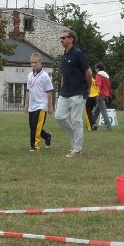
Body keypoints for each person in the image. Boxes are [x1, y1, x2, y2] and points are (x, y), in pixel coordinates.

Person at [54, 28, 93, 157]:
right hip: (65, 92)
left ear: (71, 39)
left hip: (78, 92)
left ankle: (77, 149)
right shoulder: (64, 55)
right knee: (59, 117)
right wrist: (62, 87)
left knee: (76, 120)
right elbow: (64, 74)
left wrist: (88, 89)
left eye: (64, 37)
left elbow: (88, 72)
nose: (61, 40)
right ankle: (74, 139)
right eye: (60, 38)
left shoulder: (78, 53)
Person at [24, 52, 54, 151]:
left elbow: (49, 92)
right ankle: (47, 136)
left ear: (40, 62)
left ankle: (34, 146)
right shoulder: (29, 75)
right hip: (32, 105)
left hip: (41, 105)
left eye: (35, 62)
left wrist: (50, 106)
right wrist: (26, 104)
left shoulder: (45, 76)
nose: (33, 64)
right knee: (32, 126)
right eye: (31, 62)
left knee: (36, 126)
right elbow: (28, 90)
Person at [92, 61, 114, 130]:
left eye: (96, 68)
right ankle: (90, 124)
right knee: (96, 111)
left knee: (103, 111)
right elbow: (109, 86)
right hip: (106, 95)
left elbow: (98, 84)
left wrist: (95, 92)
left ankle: (109, 127)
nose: (95, 70)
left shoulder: (98, 75)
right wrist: (110, 95)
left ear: (98, 69)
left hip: (100, 95)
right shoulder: (106, 76)